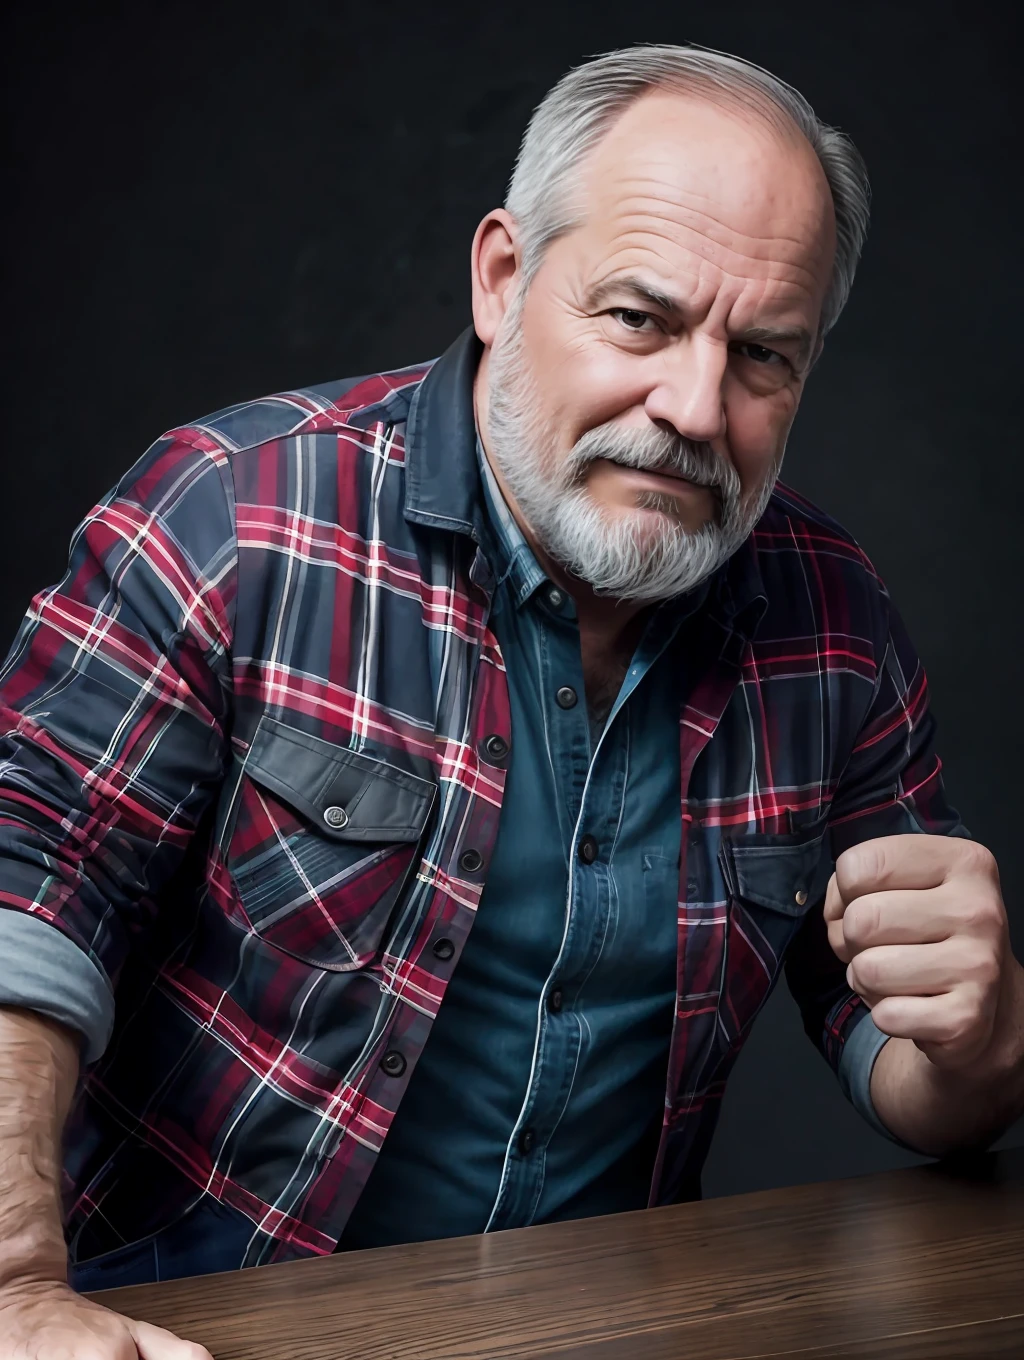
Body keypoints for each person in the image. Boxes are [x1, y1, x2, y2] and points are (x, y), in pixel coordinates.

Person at [2, 41, 1022, 1359]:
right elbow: (27, 887)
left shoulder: (833, 623)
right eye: (641, 320)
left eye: (764, 355)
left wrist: (985, 1045)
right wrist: (17, 1287)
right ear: (503, 278)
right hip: (190, 1338)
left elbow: (914, 1071)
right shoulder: (238, 516)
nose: (696, 407)